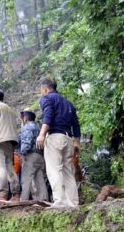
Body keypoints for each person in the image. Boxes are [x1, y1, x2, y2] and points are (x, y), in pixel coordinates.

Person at [36, 78, 81, 208]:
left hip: (54, 137)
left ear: (45, 89)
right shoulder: (68, 103)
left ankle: (60, 202)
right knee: (68, 171)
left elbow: (48, 116)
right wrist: (77, 142)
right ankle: (73, 203)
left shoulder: (47, 98)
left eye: (41, 90)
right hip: (68, 139)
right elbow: (76, 124)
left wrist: (42, 134)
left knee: (54, 170)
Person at [19, 109, 48, 201]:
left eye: (22, 117)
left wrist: (22, 153)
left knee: (26, 179)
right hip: (40, 156)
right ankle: (43, 199)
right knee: (39, 180)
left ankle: (24, 200)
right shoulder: (38, 127)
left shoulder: (27, 127)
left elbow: (27, 142)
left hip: (31, 155)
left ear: (26, 118)